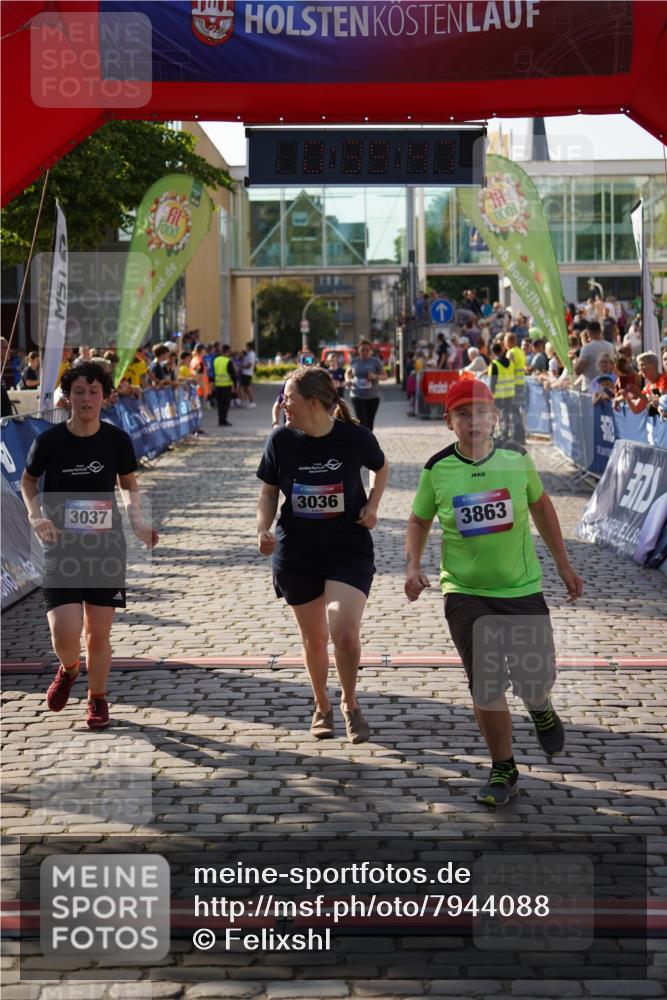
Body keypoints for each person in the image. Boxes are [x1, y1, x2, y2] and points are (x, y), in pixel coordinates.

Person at [404, 379, 583, 806]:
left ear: (495, 418)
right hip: (465, 591)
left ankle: (539, 705)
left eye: (481, 412)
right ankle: (503, 767)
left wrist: (562, 563)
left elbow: (541, 506)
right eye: (462, 414)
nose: (473, 421)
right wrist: (413, 564)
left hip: (521, 588)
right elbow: (417, 519)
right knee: (486, 683)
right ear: (449, 422)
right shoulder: (437, 468)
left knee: (533, 677)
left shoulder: (517, 459)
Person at [20, 361, 159, 729]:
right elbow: (28, 482)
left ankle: (97, 700)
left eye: (93, 392)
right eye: (78, 391)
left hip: (105, 549)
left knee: (98, 633)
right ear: (66, 397)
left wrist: (137, 521)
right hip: (62, 549)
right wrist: (37, 516)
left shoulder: (116, 440)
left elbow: (128, 484)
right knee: (64, 633)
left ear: (105, 396)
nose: (86, 399)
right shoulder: (48, 441)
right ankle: (69, 667)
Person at [256, 366, 389, 744]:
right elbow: (268, 492)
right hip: (297, 551)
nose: (282, 404)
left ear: (312, 402)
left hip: (348, 546)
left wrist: (373, 505)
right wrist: (262, 529)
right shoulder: (280, 440)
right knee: (315, 639)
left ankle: (350, 703)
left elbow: (381, 469)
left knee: (343, 633)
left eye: (288, 397)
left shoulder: (355, 438)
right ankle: (322, 705)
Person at [345, 339, 387, 431]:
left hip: (372, 396)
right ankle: (363, 442)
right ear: (358, 350)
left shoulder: (375, 361)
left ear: (370, 351)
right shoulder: (354, 361)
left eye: (367, 350)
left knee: (370, 423)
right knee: (362, 422)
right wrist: (348, 380)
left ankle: (368, 442)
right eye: (362, 350)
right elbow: (347, 373)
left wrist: (375, 376)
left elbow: (385, 376)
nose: (364, 352)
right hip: (357, 395)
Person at [487, 340, 514, 442]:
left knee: (493, 415)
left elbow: (493, 382)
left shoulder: (494, 364)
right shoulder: (510, 363)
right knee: (506, 415)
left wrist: (490, 395)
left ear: (493, 352)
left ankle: (491, 435)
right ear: (502, 350)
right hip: (509, 393)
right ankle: (505, 435)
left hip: (497, 394)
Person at [213, 344, 234, 426]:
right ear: (228, 351)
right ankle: (223, 420)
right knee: (225, 404)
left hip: (218, 385)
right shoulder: (228, 361)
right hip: (226, 385)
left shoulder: (216, 360)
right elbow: (232, 374)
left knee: (220, 404)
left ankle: (220, 419)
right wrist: (234, 384)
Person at [241, 341, 257, 407]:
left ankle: (252, 402)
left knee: (248, 387)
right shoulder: (248, 353)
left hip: (247, 373)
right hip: (245, 373)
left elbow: (250, 365)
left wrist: (242, 366)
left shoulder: (251, 354)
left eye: (247, 346)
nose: (246, 347)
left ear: (249, 347)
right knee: (245, 388)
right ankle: (246, 401)